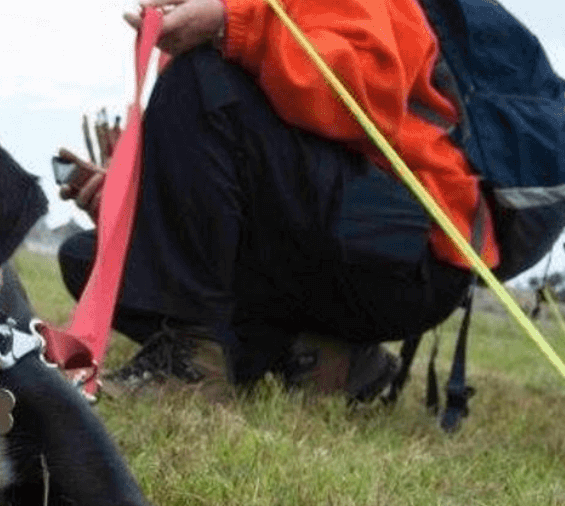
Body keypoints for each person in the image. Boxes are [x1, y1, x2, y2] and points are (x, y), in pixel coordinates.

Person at [58, 0, 490, 401]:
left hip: (415, 246)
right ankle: (317, 357)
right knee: (90, 259)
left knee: (200, 78)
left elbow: (372, 94)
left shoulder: (229, 27)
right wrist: (136, 197)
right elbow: (235, 177)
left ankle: (191, 360)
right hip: (329, 244)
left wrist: (234, 24)